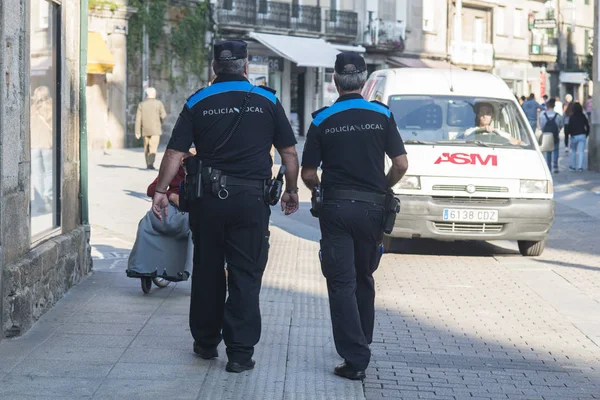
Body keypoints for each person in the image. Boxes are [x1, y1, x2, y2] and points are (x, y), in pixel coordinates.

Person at [151, 40, 300, 373]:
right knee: (246, 274)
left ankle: (205, 343)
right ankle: (240, 353)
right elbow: (289, 153)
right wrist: (291, 189)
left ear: (214, 67)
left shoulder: (198, 100)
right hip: (251, 202)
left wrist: (161, 190)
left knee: (207, 269)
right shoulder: (268, 100)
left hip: (207, 201)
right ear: (246, 66)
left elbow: (175, 153)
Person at [301, 52, 408, 380]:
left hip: (335, 209)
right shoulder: (382, 115)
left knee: (341, 282)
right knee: (364, 277)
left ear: (335, 81)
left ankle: (354, 356)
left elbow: (307, 172)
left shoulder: (322, 119)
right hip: (373, 209)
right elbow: (401, 164)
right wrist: (383, 188)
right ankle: (362, 344)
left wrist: (318, 187)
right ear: (363, 81)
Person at [30, 85, 54, 213]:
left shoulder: (32, 109)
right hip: (48, 145)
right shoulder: (51, 109)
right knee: (49, 173)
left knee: (37, 175)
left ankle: (39, 203)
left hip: (34, 146)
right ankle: (49, 198)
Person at [458, 102, 524, 145]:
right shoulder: (470, 131)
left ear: (492, 116)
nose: (485, 115)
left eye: (488, 113)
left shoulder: (499, 132)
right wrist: (483, 129)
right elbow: (465, 137)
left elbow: (517, 142)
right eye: (482, 112)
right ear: (478, 115)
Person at [135, 87, 167, 170]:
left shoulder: (141, 104)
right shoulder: (158, 103)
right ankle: (150, 164)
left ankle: (148, 163)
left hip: (145, 129)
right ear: (154, 94)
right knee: (153, 147)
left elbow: (138, 118)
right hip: (155, 129)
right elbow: (163, 115)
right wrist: (160, 121)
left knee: (146, 147)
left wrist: (137, 131)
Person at [539, 98, 564, 173]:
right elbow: (561, 125)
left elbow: (542, 126)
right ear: (554, 106)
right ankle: (555, 166)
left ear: (547, 106)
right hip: (555, 135)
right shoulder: (557, 115)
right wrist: (558, 130)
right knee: (556, 150)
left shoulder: (544, 115)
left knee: (548, 151)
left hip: (547, 135)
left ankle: (549, 167)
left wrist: (544, 131)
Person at [565, 102, 590, 172]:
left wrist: (569, 134)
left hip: (574, 136)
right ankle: (580, 167)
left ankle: (573, 166)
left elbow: (569, 127)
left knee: (573, 151)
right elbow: (587, 126)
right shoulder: (583, 116)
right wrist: (586, 134)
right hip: (582, 135)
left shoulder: (571, 117)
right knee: (581, 151)